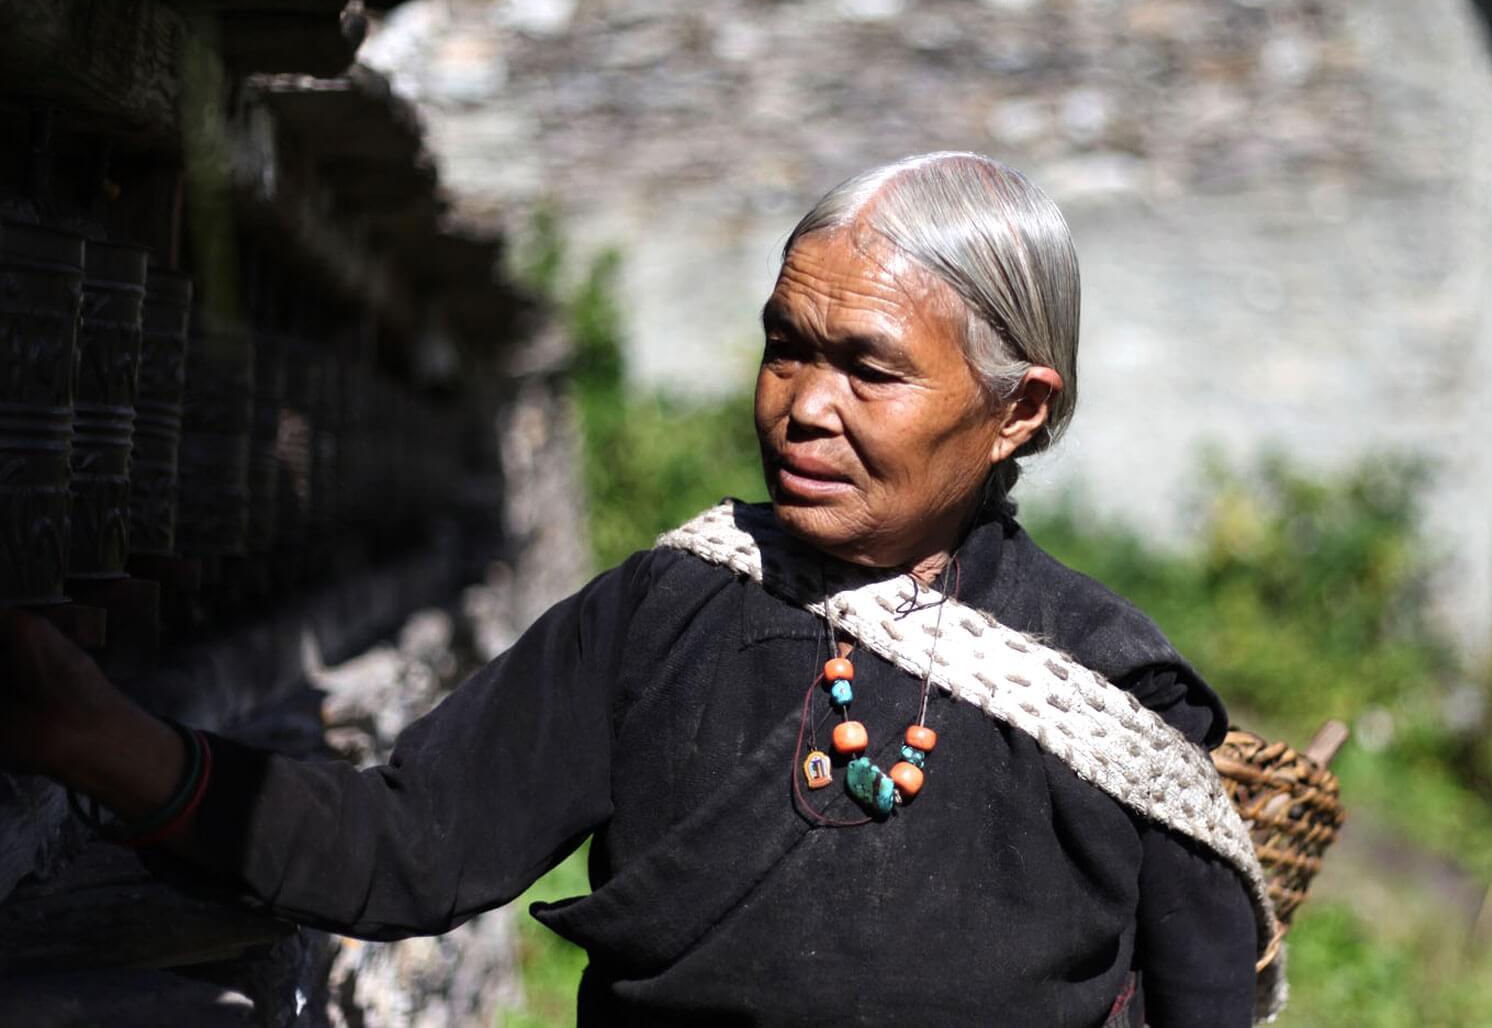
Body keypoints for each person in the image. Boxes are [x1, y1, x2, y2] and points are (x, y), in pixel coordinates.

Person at [0, 152, 1265, 1026]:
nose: (802, 406)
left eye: (867, 369)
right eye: (785, 346)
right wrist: (108, 742)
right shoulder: (668, 611)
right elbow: (405, 846)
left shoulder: (1116, 699)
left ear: (1017, 410)